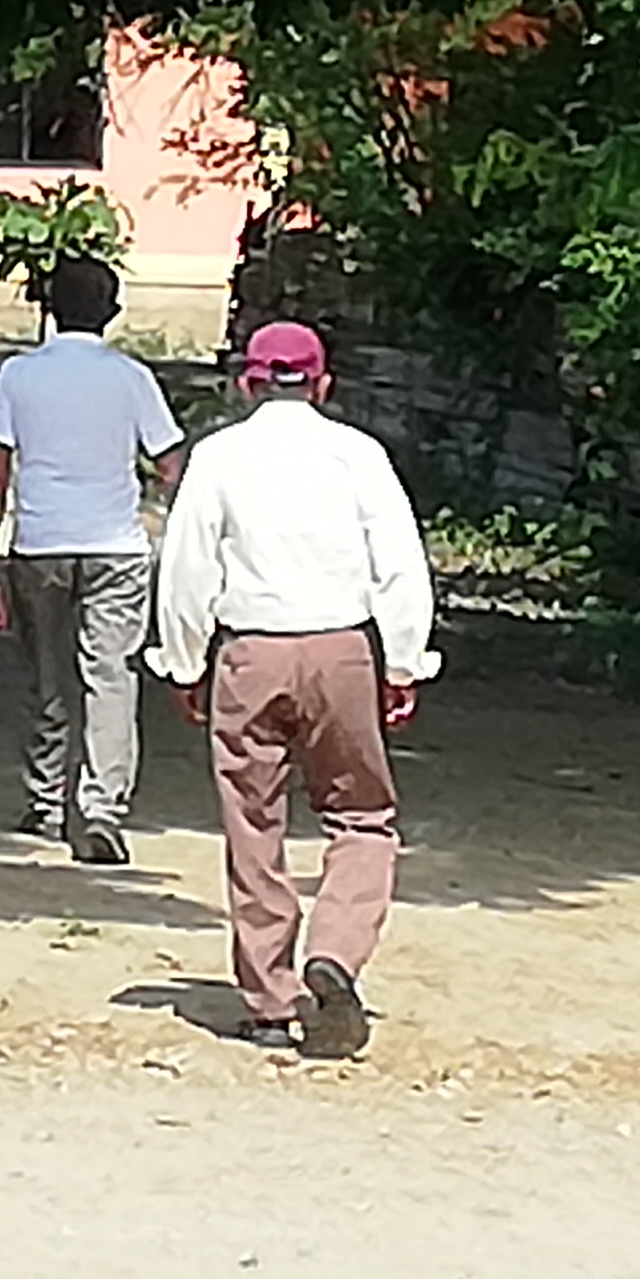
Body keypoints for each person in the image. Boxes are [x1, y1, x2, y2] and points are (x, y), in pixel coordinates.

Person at [150, 320, 435, 1059]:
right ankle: (334, 952)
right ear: (322, 383)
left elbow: (187, 569)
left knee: (253, 824)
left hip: (251, 652)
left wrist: (184, 663)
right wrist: (403, 662)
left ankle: (269, 1003)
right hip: (341, 649)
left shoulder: (218, 456)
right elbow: (400, 564)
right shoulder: (358, 454)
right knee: (362, 816)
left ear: (248, 382)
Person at [0, 256, 187, 865]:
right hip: (115, 545)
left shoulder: (18, 374)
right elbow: (170, 464)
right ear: (112, 312)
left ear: (47, 306)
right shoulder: (132, 378)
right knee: (110, 677)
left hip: (40, 543)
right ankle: (101, 809)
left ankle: (45, 801)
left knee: (46, 676)